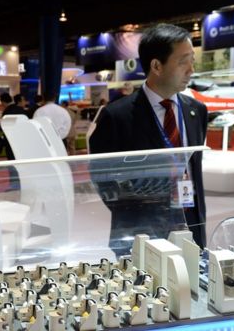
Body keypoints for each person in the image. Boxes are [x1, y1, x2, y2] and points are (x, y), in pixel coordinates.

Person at [89, 23, 208, 253]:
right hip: (139, 232)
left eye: (192, 60)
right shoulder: (117, 116)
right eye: (183, 61)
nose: (191, 69)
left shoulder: (197, 111)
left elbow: (192, 168)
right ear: (156, 65)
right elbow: (102, 176)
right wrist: (134, 212)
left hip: (190, 226)